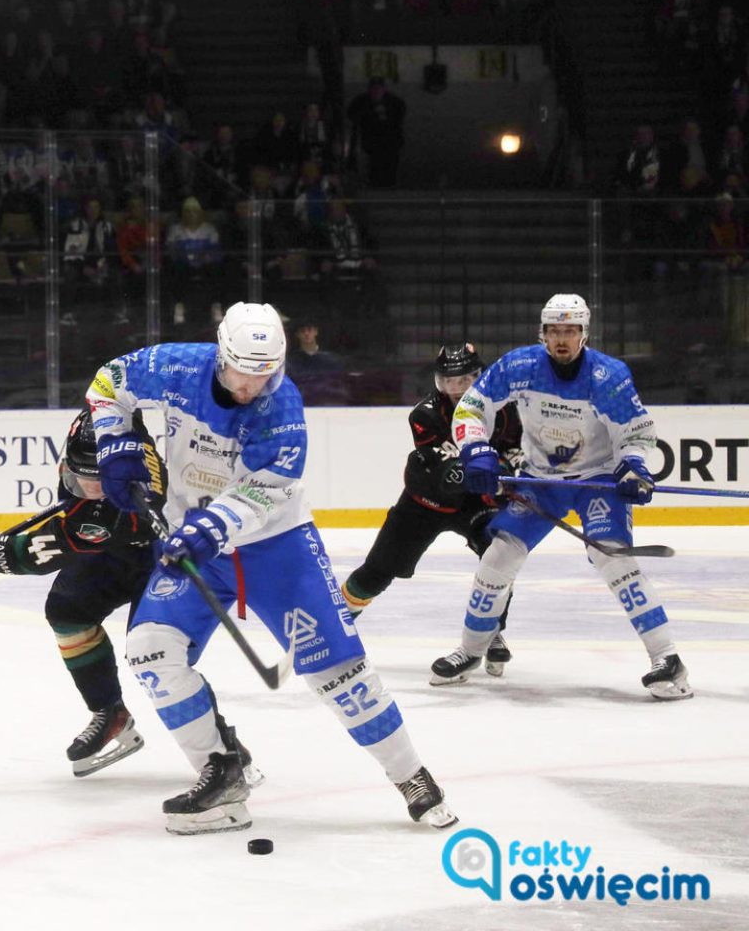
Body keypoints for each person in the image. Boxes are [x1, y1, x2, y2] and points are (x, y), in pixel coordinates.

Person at [89, 301, 457, 835]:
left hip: (274, 547)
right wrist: (117, 443)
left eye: (266, 375)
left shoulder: (280, 405)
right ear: (221, 355)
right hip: (195, 547)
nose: (252, 388)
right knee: (150, 650)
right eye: (243, 374)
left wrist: (209, 527)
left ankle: (412, 776)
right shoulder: (174, 366)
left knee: (340, 675)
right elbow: (106, 383)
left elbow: (265, 489)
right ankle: (221, 774)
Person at [434, 294, 692, 700]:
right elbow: (470, 407)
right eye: (554, 330)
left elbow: (636, 433)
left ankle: (668, 659)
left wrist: (634, 466)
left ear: (584, 334)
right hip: (542, 480)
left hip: (597, 479)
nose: (561, 339)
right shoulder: (519, 366)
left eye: (570, 330)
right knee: (498, 556)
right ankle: (469, 651)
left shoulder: (608, 376)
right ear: (542, 333)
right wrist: (476, 450)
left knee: (611, 557)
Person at [0, 409, 161, 777]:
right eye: (83, 477)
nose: (92, 487)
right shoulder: (89, 458)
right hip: (117, 552)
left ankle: (219, 749)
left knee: (158, 654)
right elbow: (74, 518)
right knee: (67, 608)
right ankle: (109, 712)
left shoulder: (136, 489)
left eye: (100, 479)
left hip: (165, 559)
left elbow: (51, 547)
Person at [342, 343, 524, 676]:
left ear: (478, 377)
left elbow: (515, 451)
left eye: (464, 380)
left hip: (475, 504)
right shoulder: (425, 414)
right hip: (425, 502)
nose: (456, 389)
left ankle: (491, 631)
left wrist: (515, 471)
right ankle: (336, 622)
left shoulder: (507, 411)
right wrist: (489, 473)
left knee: (499, 558)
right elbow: (446, 473)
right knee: (378, 570)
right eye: (448, 380)